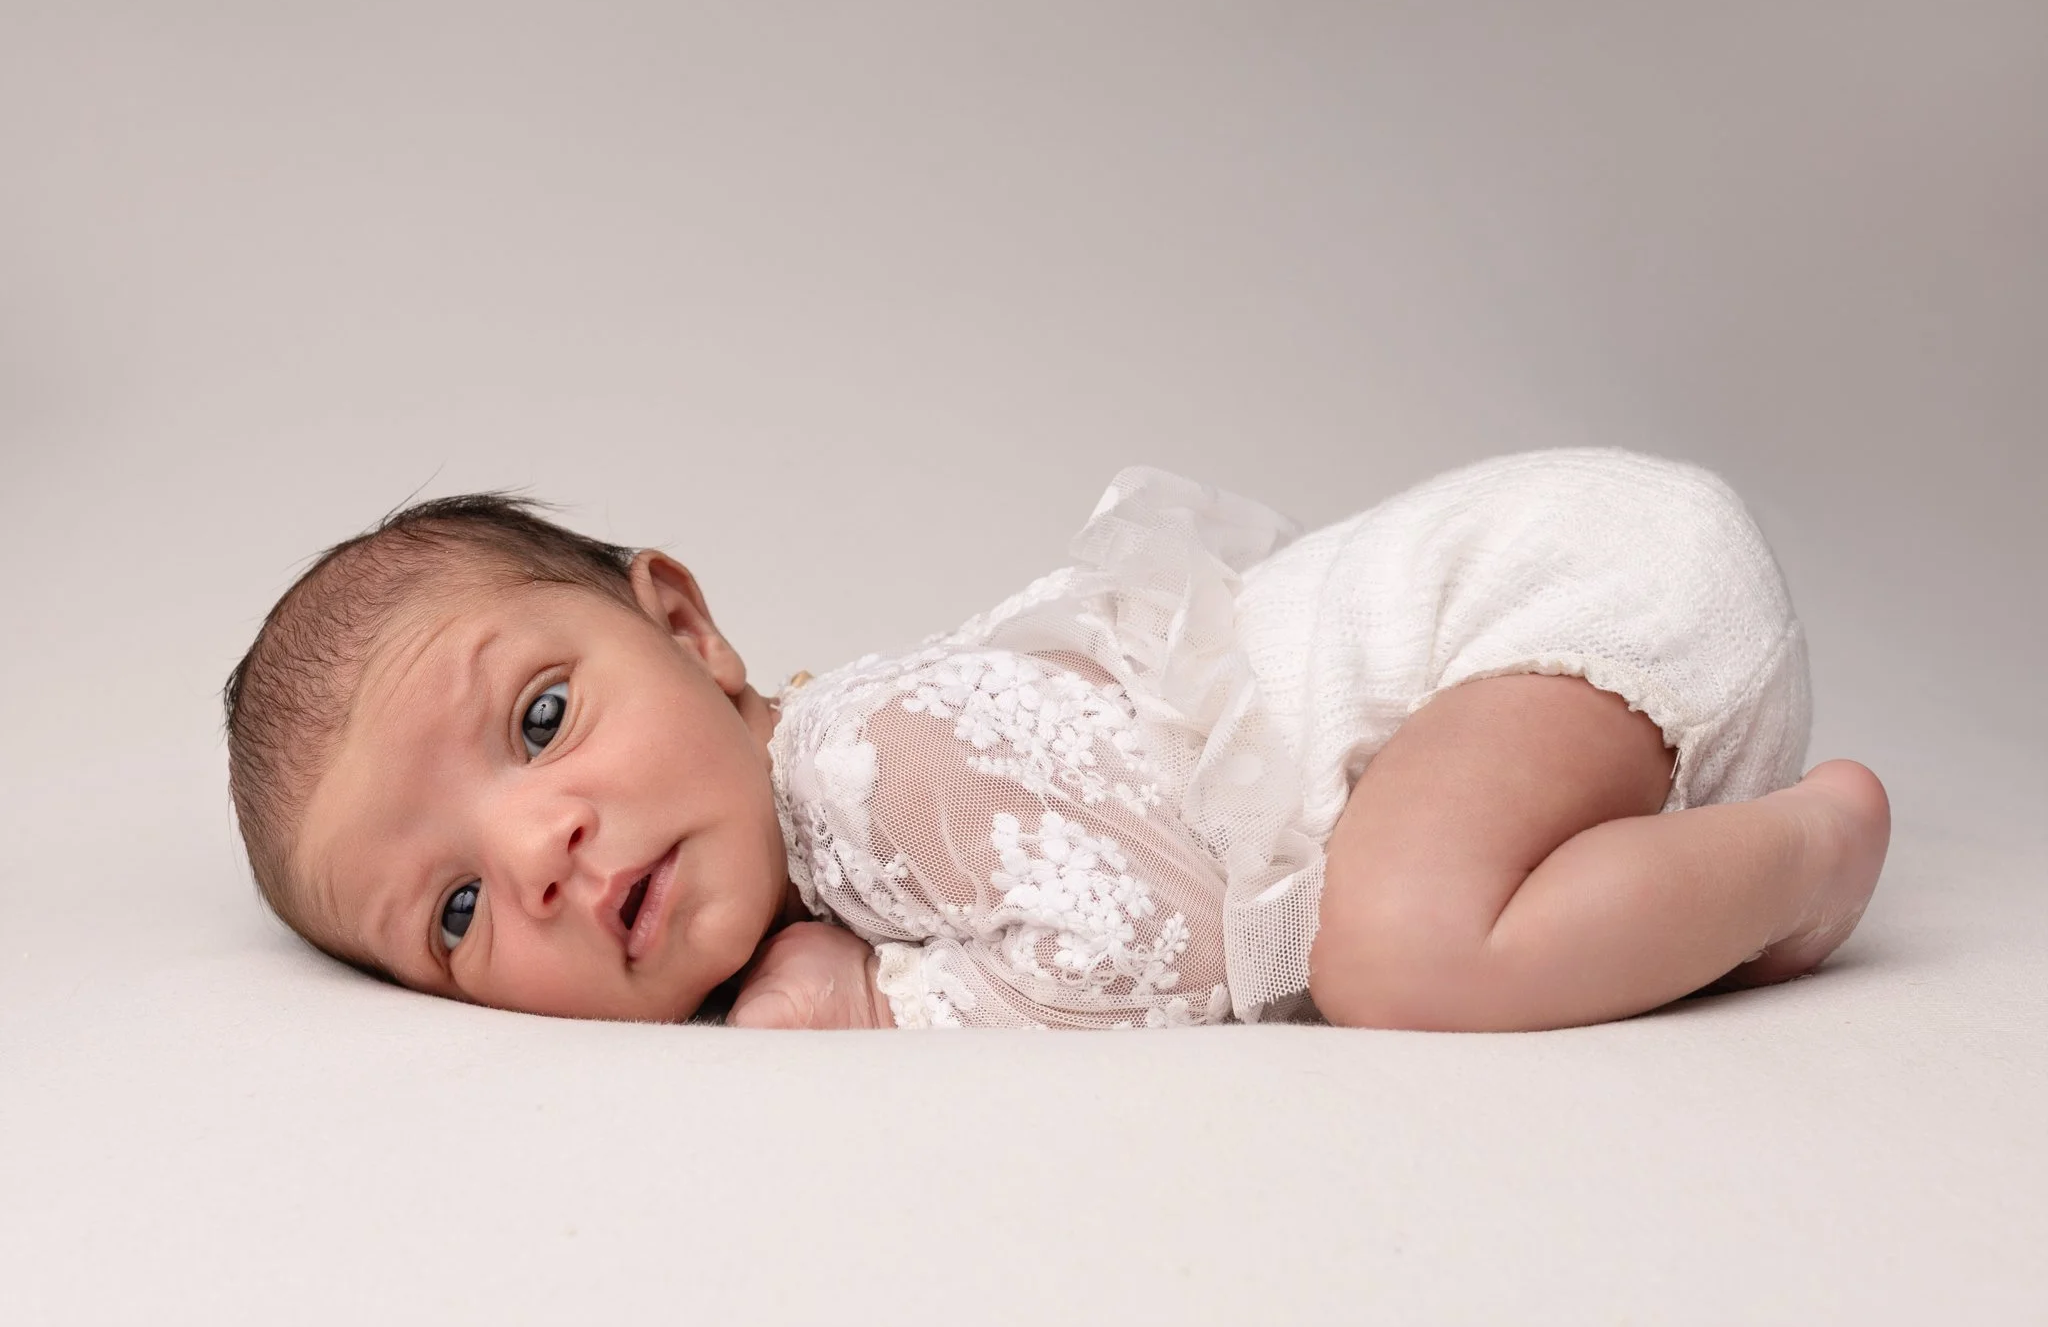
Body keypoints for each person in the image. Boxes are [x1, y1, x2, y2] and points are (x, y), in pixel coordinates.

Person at [221, 447, 1891, 1030]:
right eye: (450, 916)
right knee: (1422, 916)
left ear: (688, 627)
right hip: (1554, 676)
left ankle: (1809, 850)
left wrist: (888, 1004)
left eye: (540, 718)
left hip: (1570, 595)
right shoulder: (815, 816)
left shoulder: (876, 758)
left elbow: (1186, 935)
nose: (539, 856)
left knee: (1394, 947)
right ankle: (1665, 893)